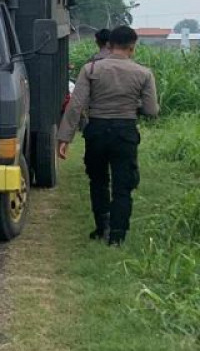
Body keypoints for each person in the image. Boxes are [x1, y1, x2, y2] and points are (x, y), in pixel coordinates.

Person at [58, 26, 159, 246]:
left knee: (98, 181)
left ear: (109, 45)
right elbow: (152, 110)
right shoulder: (143, 73)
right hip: (125, 133)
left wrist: (64, 138)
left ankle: (101, 226)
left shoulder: (91, 69)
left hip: (97, 131)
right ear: (133, 47)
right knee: (123, 186)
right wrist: (133, 106)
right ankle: (117, 236)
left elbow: (76, 106)